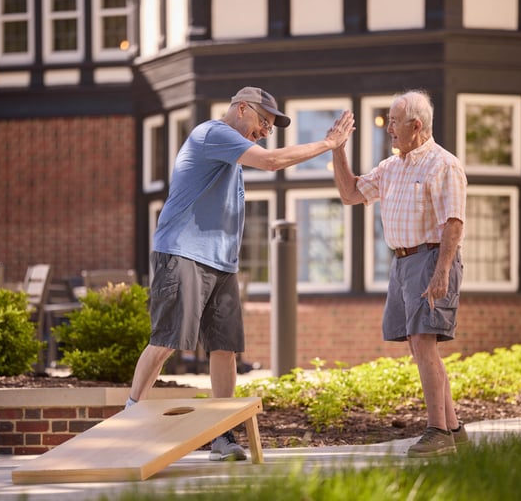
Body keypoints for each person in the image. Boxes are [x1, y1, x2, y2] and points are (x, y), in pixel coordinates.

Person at [126, 86, 355, 461]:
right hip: (183, 252)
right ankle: (130, 413)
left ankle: (221, 436)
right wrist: (329, 143)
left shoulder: (231, 154)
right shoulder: (213, 133)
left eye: (270, 126)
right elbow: (272, 162)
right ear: (242, 109)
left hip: (222, 264)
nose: (265, 131)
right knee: (167, 340)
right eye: (263, 121)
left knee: (226, 349)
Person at [331, 90, 468, 457]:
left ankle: (437, 430)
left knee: (424, 345)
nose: (388, 128)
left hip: (432, 258)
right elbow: (350, 194)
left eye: (394, 121)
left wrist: (441, 274)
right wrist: (337, 149)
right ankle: (453, 429)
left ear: (416, 125)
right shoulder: (391, 167)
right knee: (418, 347)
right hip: (402, 263)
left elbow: (453, 224)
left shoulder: (444, 165)